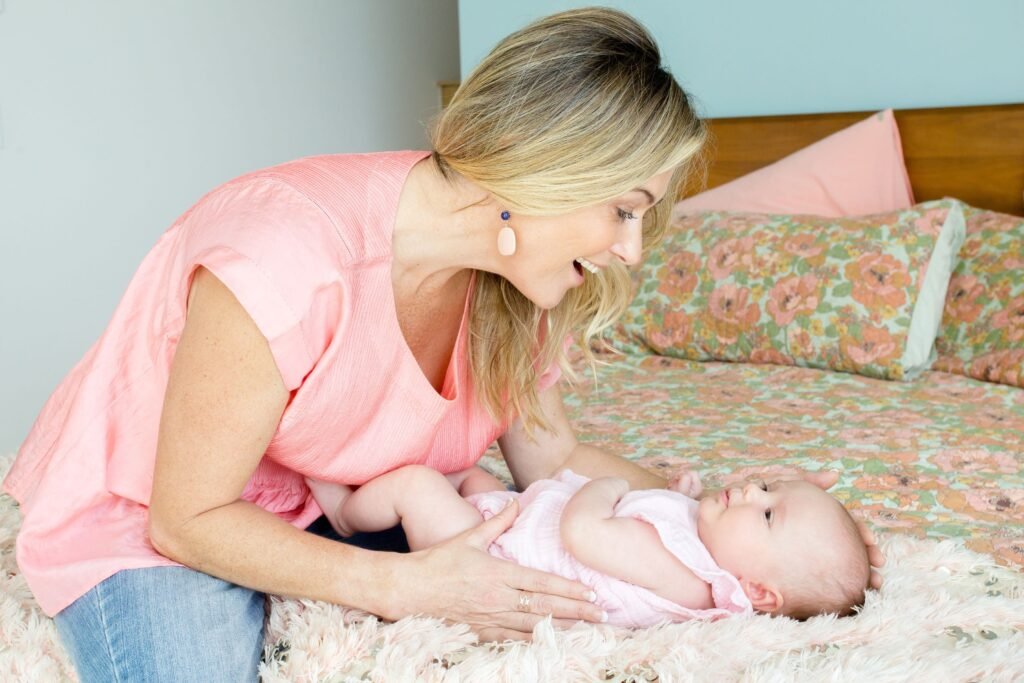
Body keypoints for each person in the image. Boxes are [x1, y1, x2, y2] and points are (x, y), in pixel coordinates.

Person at [3, 6, 882, 681]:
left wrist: (722, 522)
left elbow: (557, 456)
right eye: (623, 209)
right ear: (547, 167)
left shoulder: (520, 286)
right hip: (155, 518)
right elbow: (185, 516)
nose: (630, 249)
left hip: (322, 503)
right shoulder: (286, 257)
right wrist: (401, 587)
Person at [309, 465, 871, 626]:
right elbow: (658, 524)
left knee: (419, 486)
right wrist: (679, 495)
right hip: (514, 518)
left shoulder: (686, 579)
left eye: (768, 511)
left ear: (756, 591)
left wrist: (612, 485)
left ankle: (345, 515)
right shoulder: (705, 549)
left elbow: (586, 532)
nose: (751, 489)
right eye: (768, 487)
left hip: (486, 561)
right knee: (472, 475)